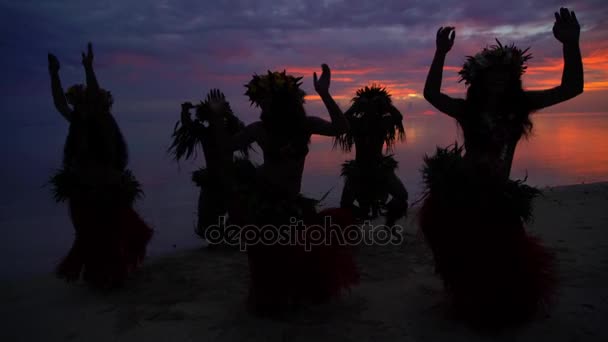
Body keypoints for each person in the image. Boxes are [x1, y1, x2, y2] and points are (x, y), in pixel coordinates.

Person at [420, 7, 583, 329]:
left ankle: (498, 305)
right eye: (491, 77)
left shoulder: (520, 106)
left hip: (498, 192)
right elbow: (431, 94)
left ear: (512, 80)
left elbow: (571, 89)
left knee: (506, 253)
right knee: (467, 253)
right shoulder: (467, 111)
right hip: (466, 189)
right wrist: (440, 54)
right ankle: (469, 302)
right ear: (479, 81)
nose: (497, 83)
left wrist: (570, 44)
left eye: (504, 78)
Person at [207, 66, 359, 316]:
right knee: (265, 259)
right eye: (261, 104)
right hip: (264, 202)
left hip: (291, 202)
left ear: (283, 104)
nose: (263, 108)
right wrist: (216, 118)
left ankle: (290, 298)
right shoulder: (259, 129)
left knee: (296, 256)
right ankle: (270, 301)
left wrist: (324, 93)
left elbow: (341, 128)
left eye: (267, 103)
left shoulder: (305, 125)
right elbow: (225, 148)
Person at [48, 43, 153, 289]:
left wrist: (89, 68)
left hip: (107, 185)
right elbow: (59, 104)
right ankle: (98, 273)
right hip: (83, 187)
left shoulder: (103, 121)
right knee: (87, 232)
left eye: (87, 103)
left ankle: (112, 273)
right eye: (79, 104)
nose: (81, 107)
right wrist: (54, 75)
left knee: (112, 231)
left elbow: (94, 94)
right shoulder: (75, 120)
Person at [170, 90, 251, 241]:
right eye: (213, 117)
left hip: (230, 178)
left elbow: (241, 128)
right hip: (214, 179)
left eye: (218, 116)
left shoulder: (230, 131)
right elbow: (189, 126)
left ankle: (232, 236)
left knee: (236, 214)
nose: (216, 120)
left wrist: (224, 112)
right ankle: (217, 237)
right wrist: (185, 111)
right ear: (208, 118)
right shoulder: (205, 133)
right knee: (209, 218)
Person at [336, 85, 408, 226]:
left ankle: (389, 221)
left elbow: (399, 117)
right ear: (361, 108)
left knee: (402, 195)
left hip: (379, 167)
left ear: (379, 107)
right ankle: (362, 219)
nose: (370, 108)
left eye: (374, 105)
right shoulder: (356, 124)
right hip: (359, 169)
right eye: (367, 105)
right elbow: (343, 118)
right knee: (345, 204)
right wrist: (357, 104)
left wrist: (384, 103)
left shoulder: (382, 123)